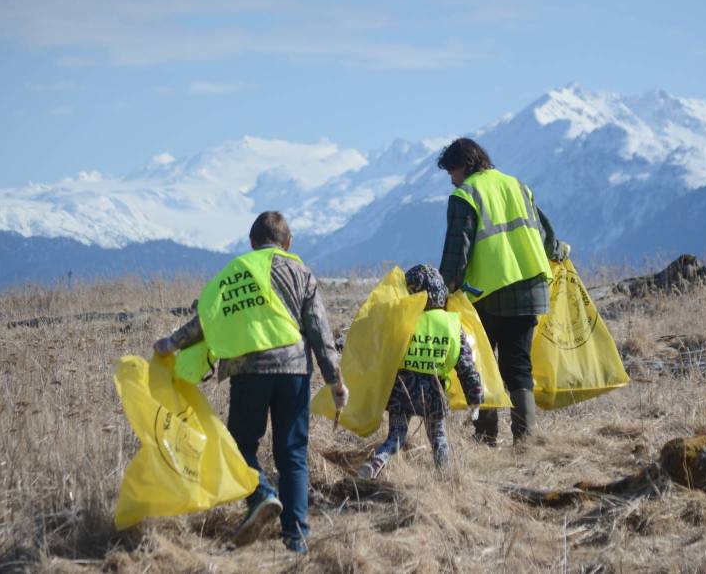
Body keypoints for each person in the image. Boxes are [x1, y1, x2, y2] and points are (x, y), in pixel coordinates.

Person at [152, 211, 348, 554]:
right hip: (294, 372)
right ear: (287, 244)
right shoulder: (301, 271)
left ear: (252, 242)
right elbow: (319, 330)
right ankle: (297, 538)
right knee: (292, 453)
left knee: (241, 445)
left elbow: (204, 320)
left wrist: (171, 343)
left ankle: (261, 495)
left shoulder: (233, 273)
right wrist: (335, 381)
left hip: (247, 371)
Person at [436, 138, 569, 446]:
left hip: (489, 293)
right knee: (519, 365)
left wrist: (443, 291)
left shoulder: (465, 195)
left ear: (465, 165)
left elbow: (458, 251)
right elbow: (545, 233)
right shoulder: (517, 186)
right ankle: (525, 440)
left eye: (451, 171)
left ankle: (486, 437)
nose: (451, 179)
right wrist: (559, 251)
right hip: (531, 289)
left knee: (484, 364)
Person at [356, 264, 484, 480]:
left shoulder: (402, 321)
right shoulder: (452, 325)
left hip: (401, 390)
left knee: (395, 437)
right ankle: (446, 479)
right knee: (438, 438)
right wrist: (475, 397)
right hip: (434, 393)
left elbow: (381, 353)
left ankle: (376, 462)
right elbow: (465, 365)